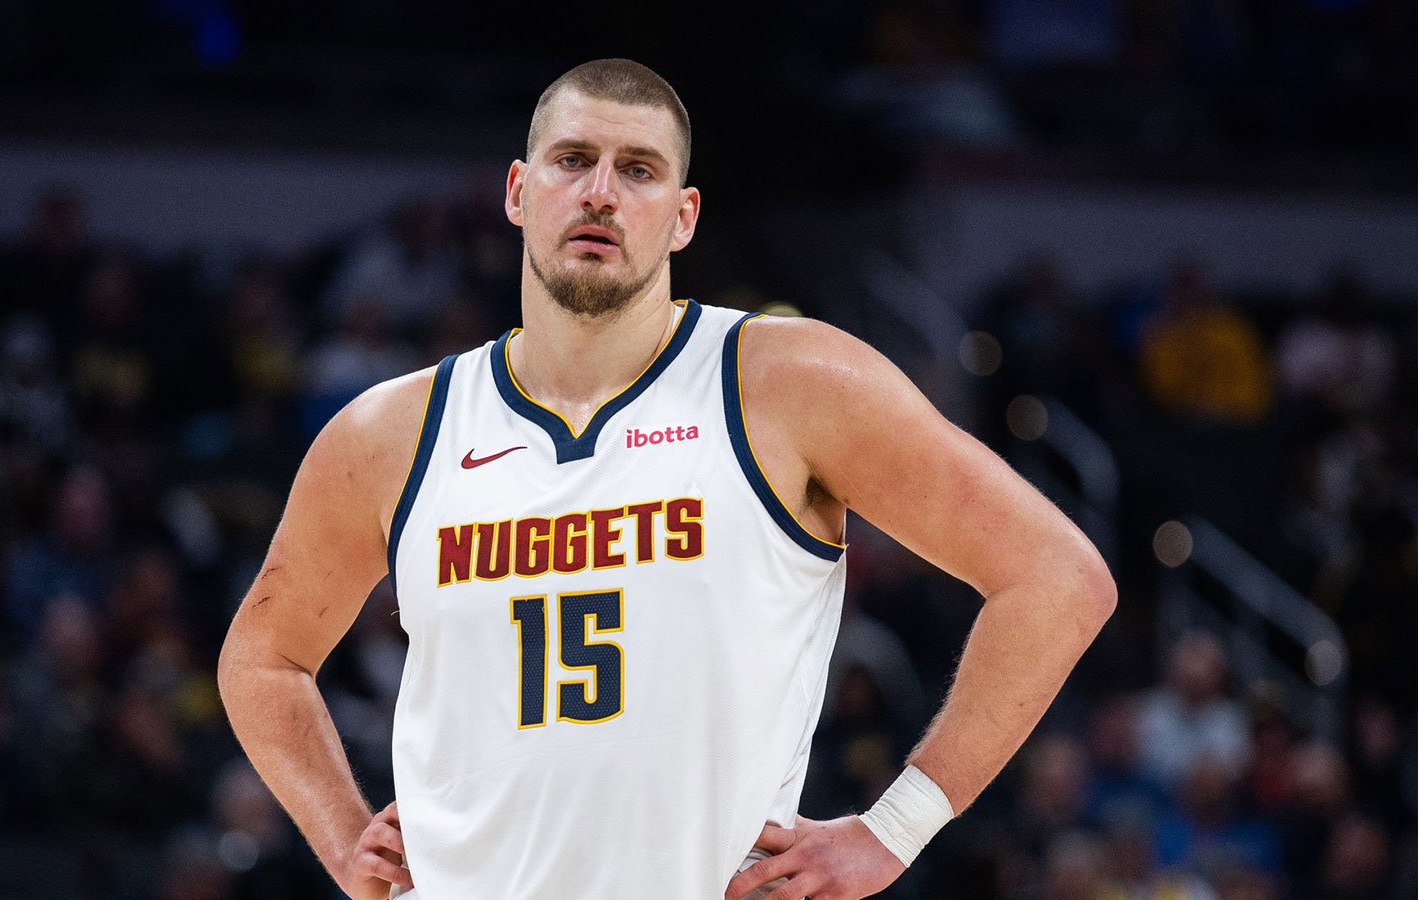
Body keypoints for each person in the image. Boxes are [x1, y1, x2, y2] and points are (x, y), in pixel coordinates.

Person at [217, 59, 1116, 900]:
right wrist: (340, 837)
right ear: (518, 194)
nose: (601, 192)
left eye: (638, 170)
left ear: (683, 217)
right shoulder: (391, 432)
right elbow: (263, 656)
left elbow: (1057, 579)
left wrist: (897, 827)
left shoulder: (786, 382)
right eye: (573, 160)